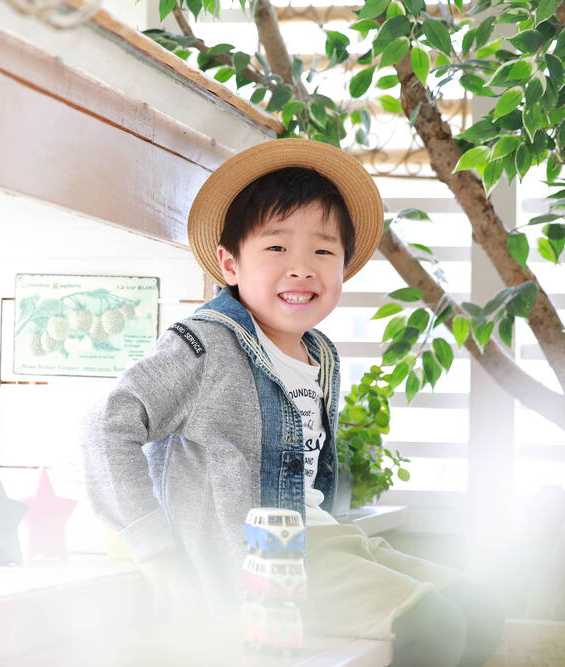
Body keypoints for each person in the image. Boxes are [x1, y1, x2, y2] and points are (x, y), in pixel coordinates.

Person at [80, 139, 503, 665]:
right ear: (230, 263)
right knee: (433, 624)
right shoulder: (203, 346)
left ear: (344, 267)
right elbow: (105, 425)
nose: (302, 268)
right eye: (277, 248)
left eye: (323, 252)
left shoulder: (320, 354)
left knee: (481, 608)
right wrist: (157, 552)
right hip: (260, 563)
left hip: (323, 540)